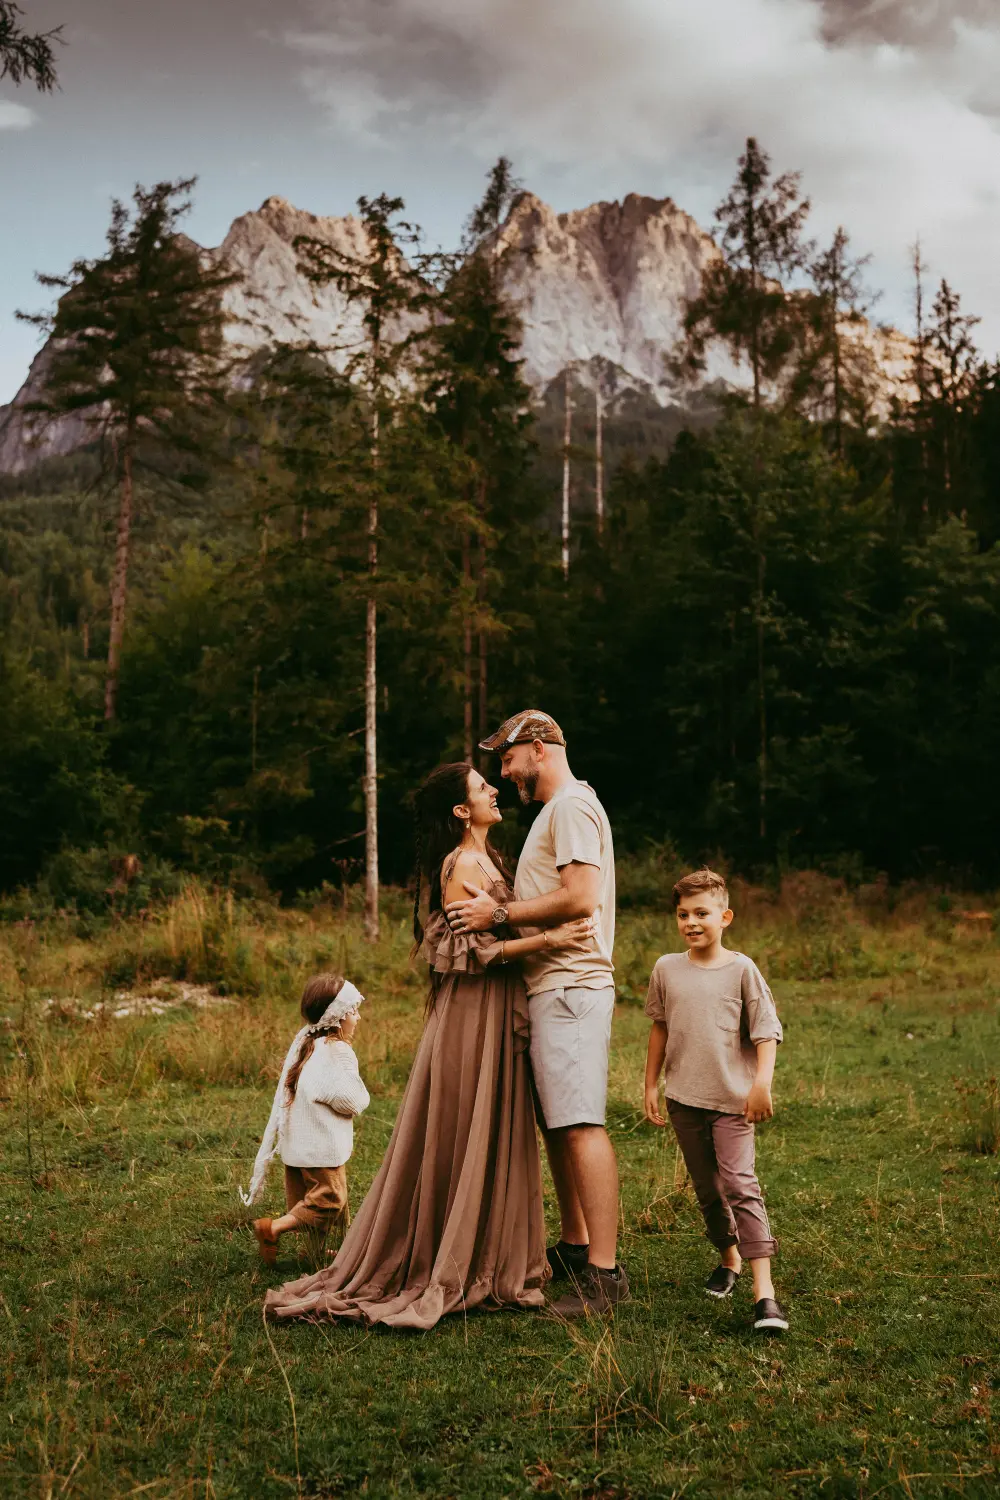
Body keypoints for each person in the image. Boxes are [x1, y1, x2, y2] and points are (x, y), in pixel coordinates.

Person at [263, 762, 593, 1330]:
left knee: (495, 1126)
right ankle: (452, 1254)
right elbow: (476, 953)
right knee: (466, 1125)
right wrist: (553, 938)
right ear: (462, 810)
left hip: (495, 1009)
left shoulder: (487, 858)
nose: (493, 789)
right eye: (481, 787)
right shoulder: (461, 862)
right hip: (473, 1015)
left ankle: (493, 1250)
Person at [447, 710, 626, 1318]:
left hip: (572, 986)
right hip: (554, 987)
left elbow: (580, 897)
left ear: (540, 749)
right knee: (559, 1125)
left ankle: (604, 1274)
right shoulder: (560, 811)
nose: (504, 773)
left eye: (507, 759)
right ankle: (576, 1247)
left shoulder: (571, 806)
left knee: (579, 1124)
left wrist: (498, 917)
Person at [643, 867, 788, 1333]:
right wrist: (650, 1084)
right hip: (684, 1099)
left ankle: (764, 1296)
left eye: (702, 913)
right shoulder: (667, 968)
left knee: (741, 1185)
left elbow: (766, 1031)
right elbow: (660, 1027)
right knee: (708, 1190)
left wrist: (761, 1083)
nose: (691, 922)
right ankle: (729, 1259)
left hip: (733, 1102)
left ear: (724, 916)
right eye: (683, 914)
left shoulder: (741, 969)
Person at [240, 972, 370, 1262]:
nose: (357, 1018)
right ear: (336, 1016)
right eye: (353, 1011)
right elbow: (349, 1099)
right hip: (321, 1147)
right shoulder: (337, 1052)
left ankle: (316, 1253)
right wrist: (363, 1098)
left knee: (314, 1199)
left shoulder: (307, 1044)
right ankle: (272, 1228)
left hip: (299, 1145)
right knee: (329, 1200)